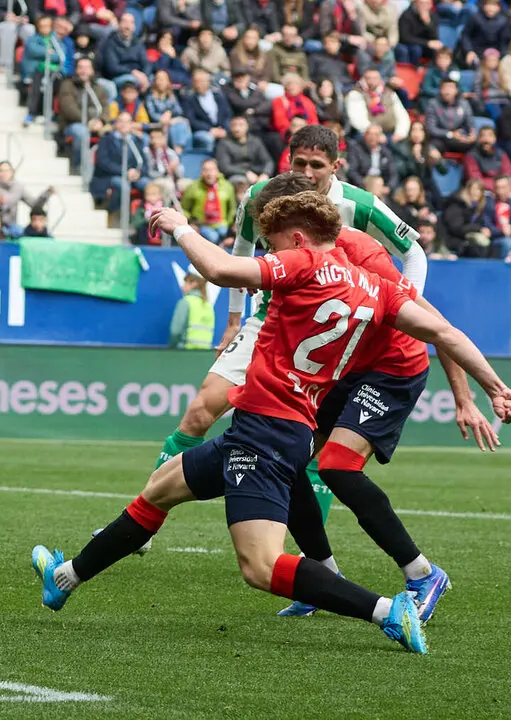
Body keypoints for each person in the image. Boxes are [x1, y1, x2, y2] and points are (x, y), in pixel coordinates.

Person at [31, 191, 511, 654]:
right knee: (160, 487)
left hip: (266, 433)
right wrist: (494, 386)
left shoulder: (304, 262)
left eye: (274, 242)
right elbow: (443, 332)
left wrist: (181, 228)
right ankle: (65, 579)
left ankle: (390, 612)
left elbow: (221, 268)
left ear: (301, 238)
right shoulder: (377, 289)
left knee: (260, 567)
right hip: (276, 425)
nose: (270, 251)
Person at [148, 126, 422, 537]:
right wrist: (234, 319)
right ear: (288, 161)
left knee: (317, 445)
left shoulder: (359, 205)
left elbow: (413, 252)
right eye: (300, 163)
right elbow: (240, 250)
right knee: (202, 409)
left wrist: (405, 302)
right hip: (267, 316)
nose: (308, 172)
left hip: (331, 329)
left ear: (336, 166)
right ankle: (147, 515)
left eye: (317, 165)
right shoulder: (261, 195)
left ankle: (314, 554)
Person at [244, 173, 489, 621]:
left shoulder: (358, 251)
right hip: (345, 366)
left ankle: (422, 574)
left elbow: (435, 324)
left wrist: (466, 397)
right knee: (288, 452)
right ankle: (322, 579)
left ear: (295, 227)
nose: (269, 249)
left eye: (271, 237)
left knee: (336, 465)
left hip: (394, 366)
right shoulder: (299, 257)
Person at [180, 158, 236, 243]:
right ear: (201, 172)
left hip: (222, 223)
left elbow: (232, 209)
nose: (209, 174)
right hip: (202, 224)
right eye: (206, 170)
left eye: (212, 170)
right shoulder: (193, 188)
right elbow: (184, 209)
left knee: (223, 232)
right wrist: (191, 223)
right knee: (213, 237)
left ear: (217, 171)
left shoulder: (227, 187)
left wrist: (230, 226)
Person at [169, 272, 213, 349]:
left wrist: (171, 348)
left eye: (185, 283)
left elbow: (175, 331)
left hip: (185, 352)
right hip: (204, 354)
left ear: (194, 284)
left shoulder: (185, 302)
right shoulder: (208, 306)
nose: (182, 286)